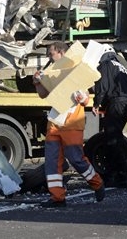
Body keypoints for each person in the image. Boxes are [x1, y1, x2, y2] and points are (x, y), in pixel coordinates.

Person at [33, 41, 105, 208]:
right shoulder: (52, 74)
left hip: (72, 123)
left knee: (76, 159)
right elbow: (43, 95)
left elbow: (86, 98)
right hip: (55, 122)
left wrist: (83, 98)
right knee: (52, 161)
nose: (49, 59)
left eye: (51, 54)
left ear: (62, 53)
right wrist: (37, 82)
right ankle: (57, 197)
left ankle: (97, 183)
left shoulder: (77, 71)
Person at [93, 44, 127, 188]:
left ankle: (122, 177)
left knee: (112, 140)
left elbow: (102, 87)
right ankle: (117, 175)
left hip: (117, 104)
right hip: (126, 103)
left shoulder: (105, 65)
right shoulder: (119, 65)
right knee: (114, 138)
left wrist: (96, 103)